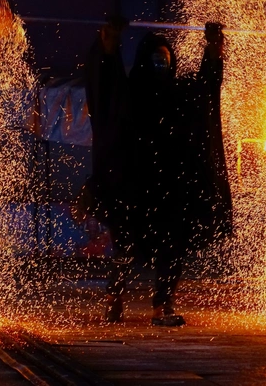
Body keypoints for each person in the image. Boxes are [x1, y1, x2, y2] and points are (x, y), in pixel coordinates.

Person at [84, 18, 231, 327]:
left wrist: (213, 50)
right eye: (155, 60)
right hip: (133, 186)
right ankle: (114, 297)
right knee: (125, 246)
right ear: (143, 61)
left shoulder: (180, 94)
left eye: (164, 60)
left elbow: (207, 89)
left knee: (172, 248)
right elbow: (107, 87)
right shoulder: (130, 92)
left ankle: (162, 304)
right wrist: (109, 45)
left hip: (171, 188)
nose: (160, 66)